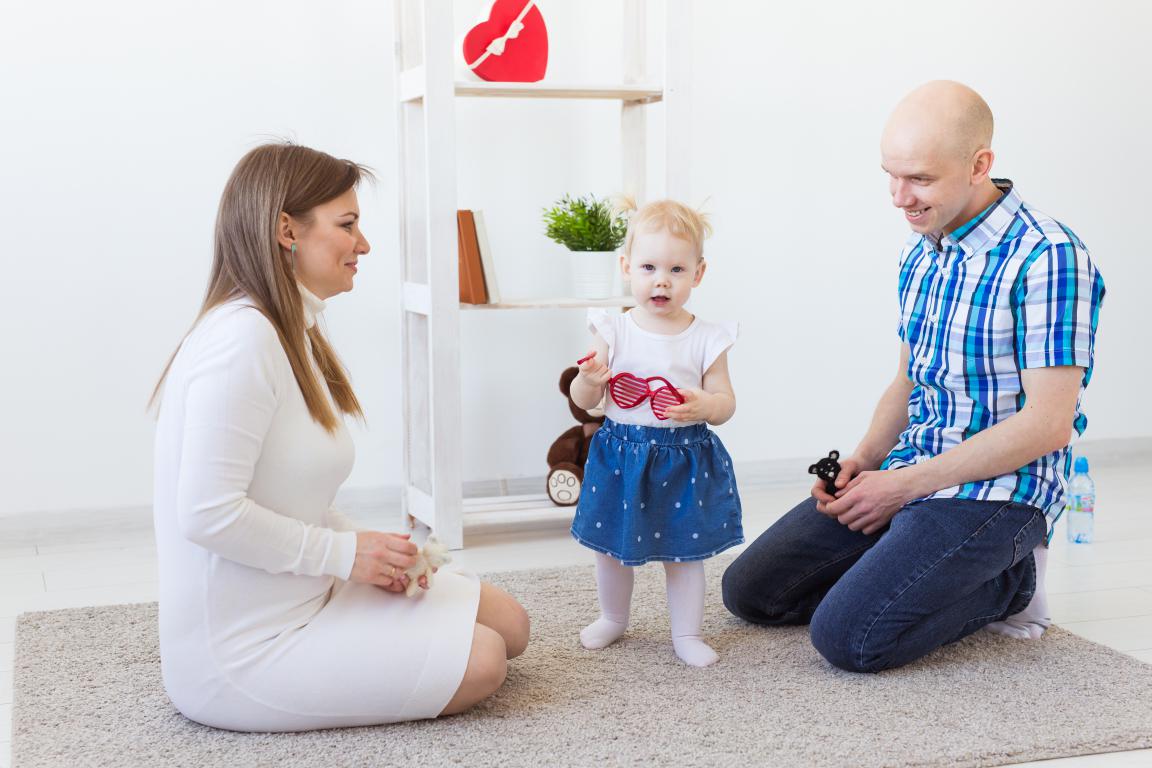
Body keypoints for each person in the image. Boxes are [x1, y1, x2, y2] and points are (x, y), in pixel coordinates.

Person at [722, 81, 1105, 672]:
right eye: (891, 176)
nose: (900, 198)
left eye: (920, 179)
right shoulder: (922, 248)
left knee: (849, 638)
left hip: (1001, 493)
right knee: (751, 593)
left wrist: (903, 488)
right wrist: (864, 462)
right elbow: (907, 380)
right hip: (913, 470)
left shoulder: (1048, 257)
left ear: (979, 165)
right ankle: (909, 564)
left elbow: (1048, 424)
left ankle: (1014, 582)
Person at [150, 143, 529, 731]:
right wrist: (346, 556)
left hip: (309, 590)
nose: (364, 244)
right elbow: (206, 515)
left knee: (510, 625)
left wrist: (374, 550)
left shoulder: (287, 329)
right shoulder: (240, 343)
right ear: (286, 230)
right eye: (348, 225)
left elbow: (291, 494)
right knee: (484, 659)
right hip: (245, 650)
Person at [569, 199, 742, 667]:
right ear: (627, 267)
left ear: (698, 274)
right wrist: (588, 379)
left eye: (676, 269)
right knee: (610, 549)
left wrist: (705, 405)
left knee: (685, 553)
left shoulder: (708, 338)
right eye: (648, 267)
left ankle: (686, 633)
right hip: (620, 457)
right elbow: (585, 400)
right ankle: (613, 617)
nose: (661, 280)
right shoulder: (613, 330)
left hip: (682, 459)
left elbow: (725, 403)